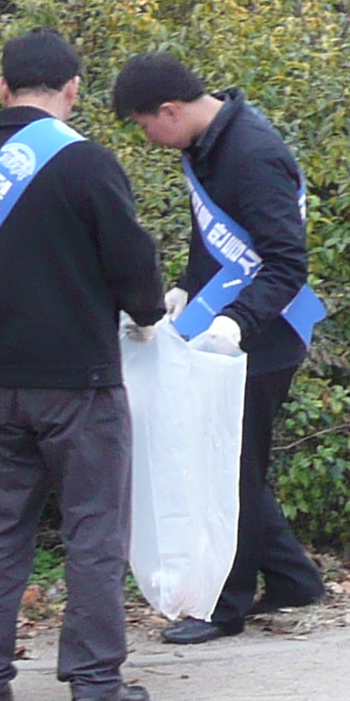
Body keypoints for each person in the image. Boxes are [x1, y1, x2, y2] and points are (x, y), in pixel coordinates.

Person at [0, 29, 167, 701]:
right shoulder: (88, 165)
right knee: (93, 528)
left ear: (1, 87)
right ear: (73, 89)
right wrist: (146, 311)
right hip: (80, 380)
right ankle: (94, 685)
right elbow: (135, 274)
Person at [112, 53, 328, 645]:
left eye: (142, 124)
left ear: (170, 111)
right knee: (238, 465)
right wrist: (186, 285)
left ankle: (223, 607)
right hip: (226, 329)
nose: (145, 137)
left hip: (265, 336)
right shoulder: (204, 146)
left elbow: (287, 261)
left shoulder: (253, 152)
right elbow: (212, 235)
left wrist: (237, 321)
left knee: (227, 469)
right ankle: (292, 579)